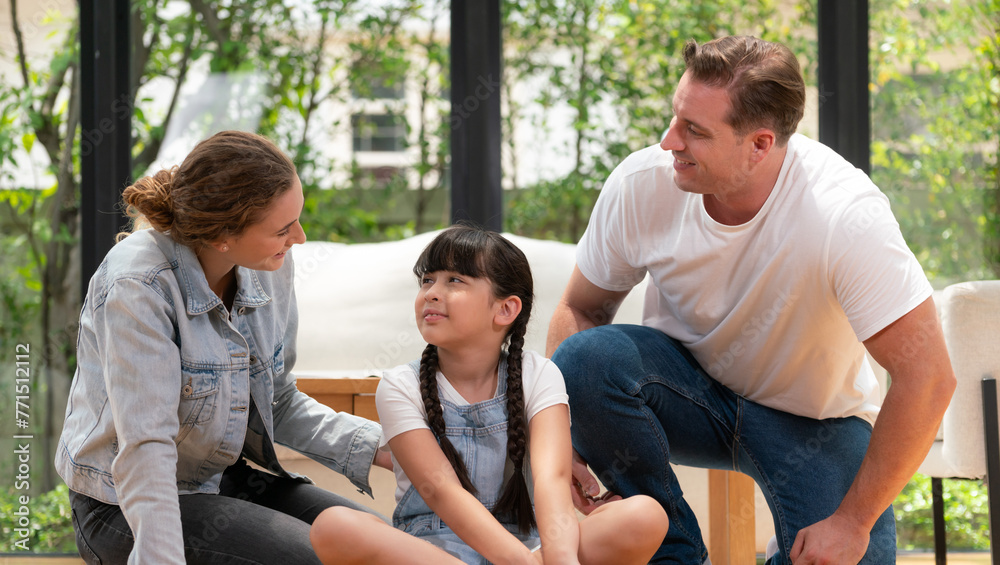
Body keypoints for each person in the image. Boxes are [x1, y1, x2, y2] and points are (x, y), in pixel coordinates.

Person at [546, 35, 956, 565]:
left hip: (813, 422)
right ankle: (675, 552)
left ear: (760, 144)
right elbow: (580, 308)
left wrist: (852, 523)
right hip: (684, 395)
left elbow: (928, 376)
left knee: (855, 556)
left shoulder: (845, 217)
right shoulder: (644, 183)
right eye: (675, 118)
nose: (670, 141)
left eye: (695, 131)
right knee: (586, 359)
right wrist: (564, 441)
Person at [56, 130, 392, 564]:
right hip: (121, 505)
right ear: (221, 236)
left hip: (216, 479)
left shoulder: (268, 264)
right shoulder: (138, 286)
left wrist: (388, 449)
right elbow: (147, 447)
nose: (301, 238)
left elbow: (279, 400)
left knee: (382, 548)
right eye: (283, 229)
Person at [310, 225, 669, 565]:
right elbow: (439, 490)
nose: (432, 292)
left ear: (505, 309)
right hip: (433, 552)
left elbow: (552, 479)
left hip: (530, 545)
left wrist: (560, 559)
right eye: (427, 280)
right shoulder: (399, 385)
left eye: (455, 280)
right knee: (335, 526)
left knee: (644, 515)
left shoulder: (540, 375)